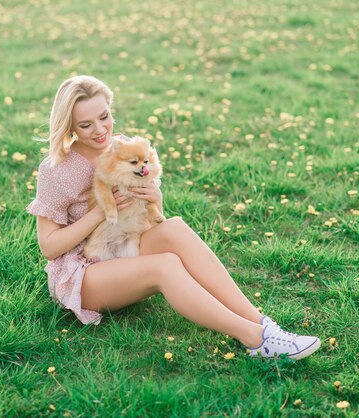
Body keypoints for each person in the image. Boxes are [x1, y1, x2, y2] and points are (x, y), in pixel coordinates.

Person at [27, 75, 321, 360]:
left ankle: (262, 323)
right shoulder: (58, 168)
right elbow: (49, 248)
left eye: (104, 116)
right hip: (83, 273)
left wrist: (156, 201)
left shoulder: (125, 147)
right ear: (70, 127)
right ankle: (255, 340)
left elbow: (149, 219)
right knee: (165, 266)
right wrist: (98, 213)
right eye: (86, 124)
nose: (100, 130)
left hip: (124, 245)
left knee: (175, 227)